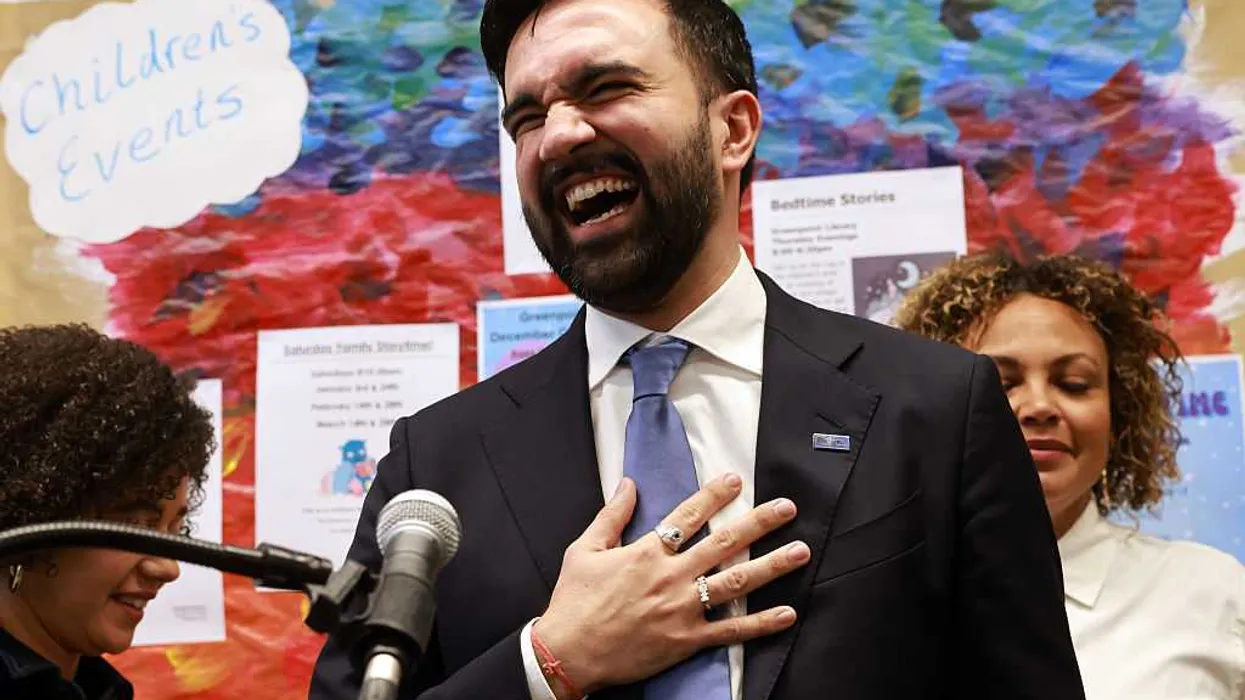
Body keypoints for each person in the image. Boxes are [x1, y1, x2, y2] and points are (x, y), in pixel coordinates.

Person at [308, 0, 1087, 698]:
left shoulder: (935, 410)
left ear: (732, 130)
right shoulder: (435, 466)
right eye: (527, 119)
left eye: (605, 88)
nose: (560, 135)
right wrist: (548, 664)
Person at [894, 252, 1245, 699]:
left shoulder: (1213, 594)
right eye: (997, 384)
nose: (1040, 406)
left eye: (1074, 383)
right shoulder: (875, 600)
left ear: (1119, 418)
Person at [0, 324, 215, 700]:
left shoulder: (99, 688)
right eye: (135, 527)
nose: (168, 568)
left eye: (174, 531)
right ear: (31, 517)